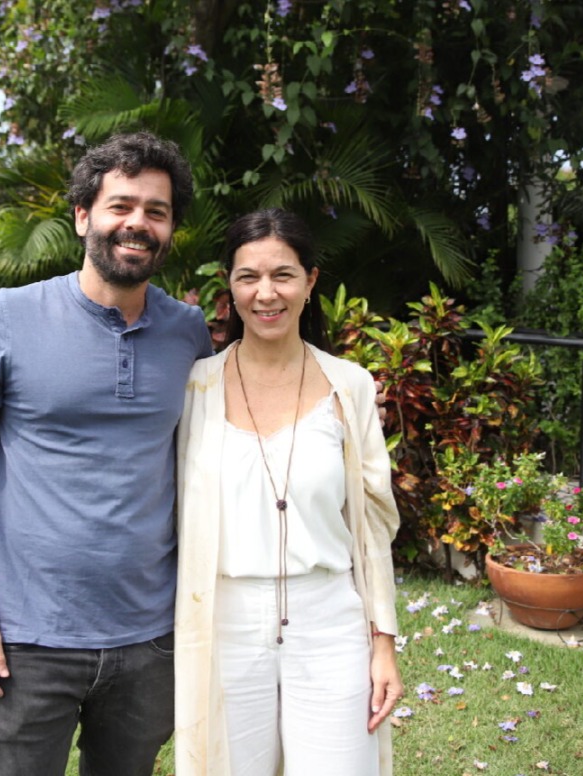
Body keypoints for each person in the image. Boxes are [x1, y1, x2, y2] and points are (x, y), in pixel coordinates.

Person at [0, 131, 213, 776]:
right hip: (27, 639)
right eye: (121, 205)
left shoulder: (188, 333)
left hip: (151, 636)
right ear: (84, 215)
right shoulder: (5, 318)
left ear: (170, 230)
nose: (137, 223)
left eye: (156, 211)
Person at [174, 208, 403, 775]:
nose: (265, 293)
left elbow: (373, 527)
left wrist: (383, 644)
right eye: (248, 276)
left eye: (283, 274)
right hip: (223, 621)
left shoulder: (349, 386)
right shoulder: (194, 387)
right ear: (228, 285)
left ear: (311, 281)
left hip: (329, 618)